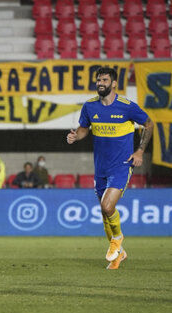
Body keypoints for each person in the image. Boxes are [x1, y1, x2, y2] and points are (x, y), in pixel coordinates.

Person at [67, 67, 154, 270]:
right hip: (101, 168)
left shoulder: (127, 107)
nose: (100, 83)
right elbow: (83, 129)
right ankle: (119, 254)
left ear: (114, 83)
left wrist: (140, 151)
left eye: (105, 80)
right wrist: (75, 136)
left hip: (122, 165)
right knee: (105, 212)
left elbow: (149, 124)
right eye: (98, 80)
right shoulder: (89, 107)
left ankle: (117, 239)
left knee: (107, 206)